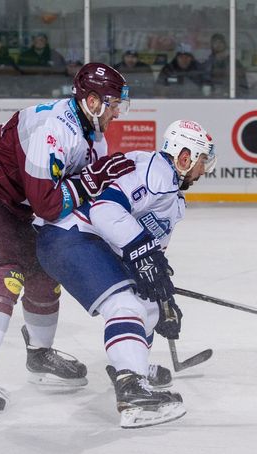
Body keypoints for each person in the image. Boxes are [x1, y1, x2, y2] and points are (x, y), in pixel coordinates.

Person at [0, 63, 134, 421]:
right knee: (6, 272)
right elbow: (47, 203)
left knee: (45, 270)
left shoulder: (94, 139)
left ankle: (39, 354)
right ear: (91, 101)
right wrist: (88, 186)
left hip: (10, 204)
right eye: (113, 103)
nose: (118, 111)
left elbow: (85, 205)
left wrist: (125, 251)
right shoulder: (53, 128)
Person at [34, 120, 217, 428]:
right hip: (68, 235)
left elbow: (150, 256)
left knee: (145, 303)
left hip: (87, 240)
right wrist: (141, 250)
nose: (204, 170)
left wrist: (164, 298)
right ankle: (132, 391)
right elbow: (105, 210)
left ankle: (133, 368)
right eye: (202, 161)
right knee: (125, 306)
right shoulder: (154, 171)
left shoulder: (173, 197)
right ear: (184, 157)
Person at [201, 33, 249, 98]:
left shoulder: (234, 62)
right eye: (215, 42)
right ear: (212, 45)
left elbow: (243, 82)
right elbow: (205, 82)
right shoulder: (208, 63)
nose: (218, 45)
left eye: (220, 42)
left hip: (233, 97)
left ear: (224, 44)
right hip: (213, 98)